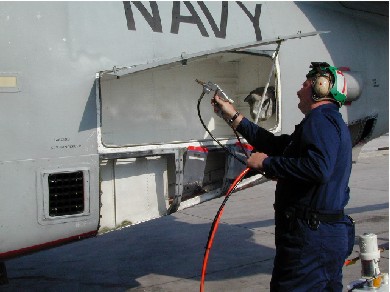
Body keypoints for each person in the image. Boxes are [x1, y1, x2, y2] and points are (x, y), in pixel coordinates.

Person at [212, 62, 354, 291]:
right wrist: (233, 117)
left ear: (321, 87)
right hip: (323, 235)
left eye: (306, 82)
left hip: (310, 238)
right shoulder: (329, 122)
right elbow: (278, 145)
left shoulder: (320, 121)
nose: (300, 87)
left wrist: (266, 163)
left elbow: (319, 168)